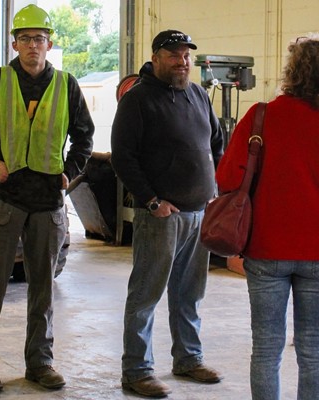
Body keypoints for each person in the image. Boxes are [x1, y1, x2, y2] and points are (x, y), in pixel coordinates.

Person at [216, 34, 319, 400]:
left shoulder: (260, 116)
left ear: (291, 71)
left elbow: (227, 179)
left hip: (267, 249)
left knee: (266, 348)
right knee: (313, 349)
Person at [0, 4, 94, 393]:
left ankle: (40, 362)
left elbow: (84, 134)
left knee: (44, 288)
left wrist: (70, 171)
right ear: (14, 43)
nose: (33, 45)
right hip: (4, 197)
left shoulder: (66, 84)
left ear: (49, 43)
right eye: (25, 39)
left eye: (39, 39)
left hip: (48, 200)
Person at [111, 30, 224, 398]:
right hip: (161, 217)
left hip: (198, 214)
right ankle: (137, 370)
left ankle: (189, 359)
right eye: (174, 54)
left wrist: (216, 190)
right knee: (146, 293)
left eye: (187, 55)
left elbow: (217, 142)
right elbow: (123, 156)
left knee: (189, 293)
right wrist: (151, 201)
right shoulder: (138, 99)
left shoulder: (197, 94)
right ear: (156, 57)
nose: (182, 61)